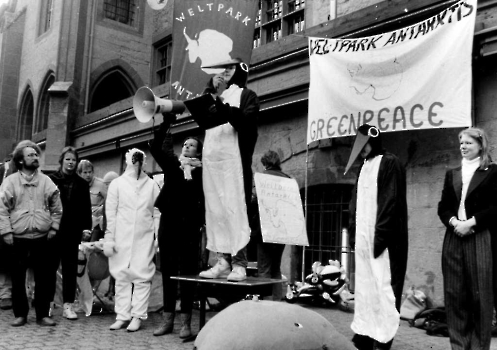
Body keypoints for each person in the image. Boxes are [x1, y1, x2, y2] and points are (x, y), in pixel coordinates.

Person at [346, 124, 408, 350]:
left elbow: (390, 202)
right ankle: (365, 333)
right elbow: (355, 203)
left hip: (383, 243)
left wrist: (379, 238)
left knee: (384, 289)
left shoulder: (389, 162)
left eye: (364, 145)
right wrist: (354, 233)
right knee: (366, 289)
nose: (361, 150)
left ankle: (382, 338)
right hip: (365, 242)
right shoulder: (363, 166)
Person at [198, 58, 259, 282]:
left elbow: (245, 122)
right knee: (216, 210)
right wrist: (210, 93)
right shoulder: (213, 95)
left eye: (230, 68)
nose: (224, 72)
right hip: (214, 162)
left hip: (234, 164)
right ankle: (222, 259)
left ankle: (239, 263)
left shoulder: (247, 95)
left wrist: (223, 105)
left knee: (236, 209)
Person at [438, 127, 497, 350]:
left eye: (468, 143)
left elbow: (495, 207)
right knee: (454, 294)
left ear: (481, 145)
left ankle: (478, 346)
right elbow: (443, 207)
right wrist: (455, 223)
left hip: (479, 236)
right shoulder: (452, 173)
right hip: (453, 237)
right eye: (461, 142)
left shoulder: (492, 172)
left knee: (480, 295)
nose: (463, 146)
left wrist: (471, 223)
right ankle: (458, 345)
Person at [150, 115, 205, 338]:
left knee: (188, 273)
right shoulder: (173, 166)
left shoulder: (202, 171)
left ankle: (186, 323)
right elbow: (156, 147)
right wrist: (166, 124)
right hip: (169, 224)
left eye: (191, 145)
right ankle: (168, 320)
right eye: (184, 144)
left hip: (190, 226)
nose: (186, 146)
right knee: (169, 273)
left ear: (198, 152)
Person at [0, 141, 63, 327]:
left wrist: (54, 228)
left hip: (42, 238)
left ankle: (43, 315)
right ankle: (20, 315)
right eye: (31, 155)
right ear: (20, 161)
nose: (35, 157)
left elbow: (57, 208)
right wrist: (6, 232)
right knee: (18, 278)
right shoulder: (10, 182)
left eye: (36, 155)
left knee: (44, 278)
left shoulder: (47, 182)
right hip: (17, 239)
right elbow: (2, 209)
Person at [103, 148, 160, 332]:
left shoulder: (151, 185)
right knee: (122, 277)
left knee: (142, 277)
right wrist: (110, 237)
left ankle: (138, 315)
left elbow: (157, 212)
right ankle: (122, 315)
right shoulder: (117, 184)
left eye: (139, 159)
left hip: (144, 236)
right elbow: (110, 212)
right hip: (122, 235)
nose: (136, 163)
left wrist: (157, 236)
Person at [48, 146, 92, 320]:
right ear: (61, 161)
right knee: (50, 269)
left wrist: (86, 228)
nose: (71, 162)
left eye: (73, 159)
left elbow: (85, 208)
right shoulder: (51, 180)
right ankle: (49, 303)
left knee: (70, 270)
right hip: (53, 231)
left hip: (72, 232)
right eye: (67, 159)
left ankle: (68, 305)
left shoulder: (81, 183)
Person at [250, 150, 290, 300]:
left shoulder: (262, 178)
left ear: (265, 163)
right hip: (282, 230)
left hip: (264, 229)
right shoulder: (288, 179)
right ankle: (277, 302)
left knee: (264, 269)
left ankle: (265, 305)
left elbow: (254, 204)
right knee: (276, 269)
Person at [77, 160, 107, 241]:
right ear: (79, 173)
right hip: (81, 222)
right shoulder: (77, 185)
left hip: (96, 223)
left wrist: (101, 209)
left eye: (90, 172)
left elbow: (110, 201)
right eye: (85, 172)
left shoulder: (101, 184)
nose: (88, 175)